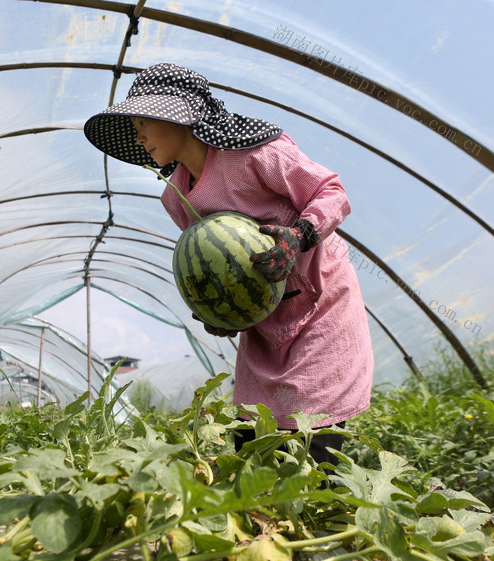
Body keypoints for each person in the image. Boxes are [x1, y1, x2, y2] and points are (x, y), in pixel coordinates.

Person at [84, 63, 373, 466]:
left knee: (315, 437)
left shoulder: (252, 155)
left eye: (143, 121)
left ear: (179, 113)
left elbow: (330, 191)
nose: (139, 136)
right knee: (252, 438)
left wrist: (298, 236)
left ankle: (321, 512)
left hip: (321, 299)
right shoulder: (176, 199)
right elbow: (209, 268)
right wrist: (219, 311)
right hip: (263, 317)